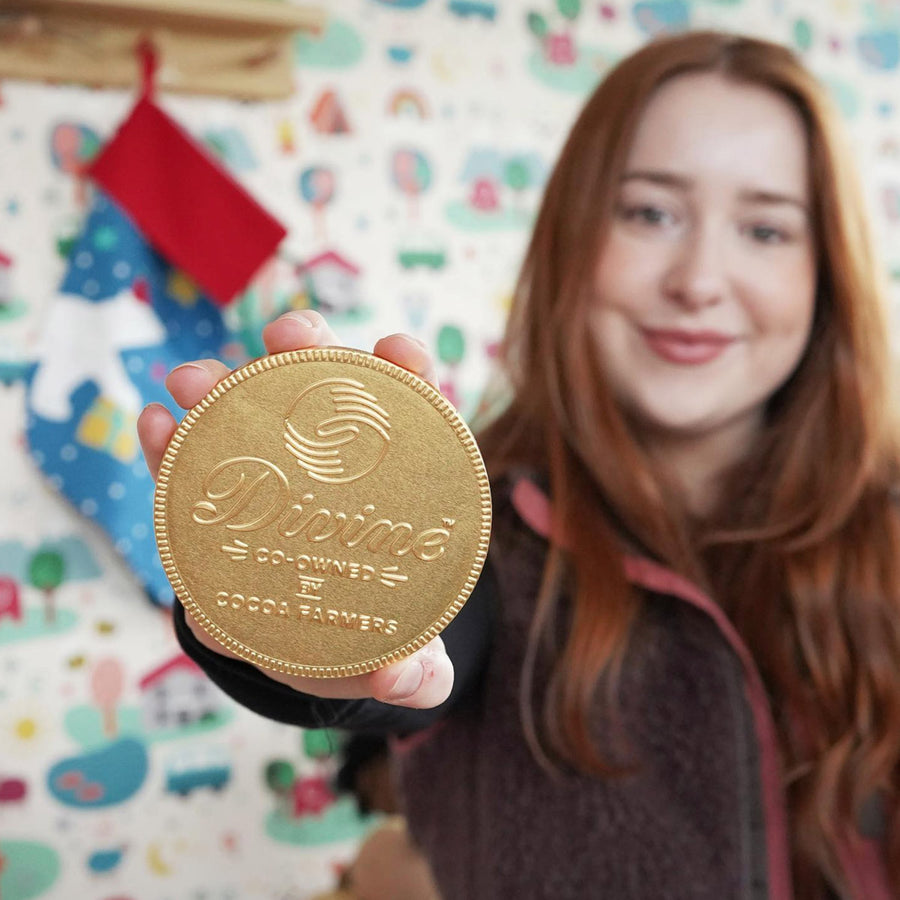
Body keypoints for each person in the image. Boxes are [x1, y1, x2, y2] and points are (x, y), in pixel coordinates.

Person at [138, 30, 900, 900]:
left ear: (827, 272)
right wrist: (309, 643)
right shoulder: (478, 531)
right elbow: (418, 643)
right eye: (650, 213)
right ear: (571, 238)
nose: (699, 278)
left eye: (766, 228)